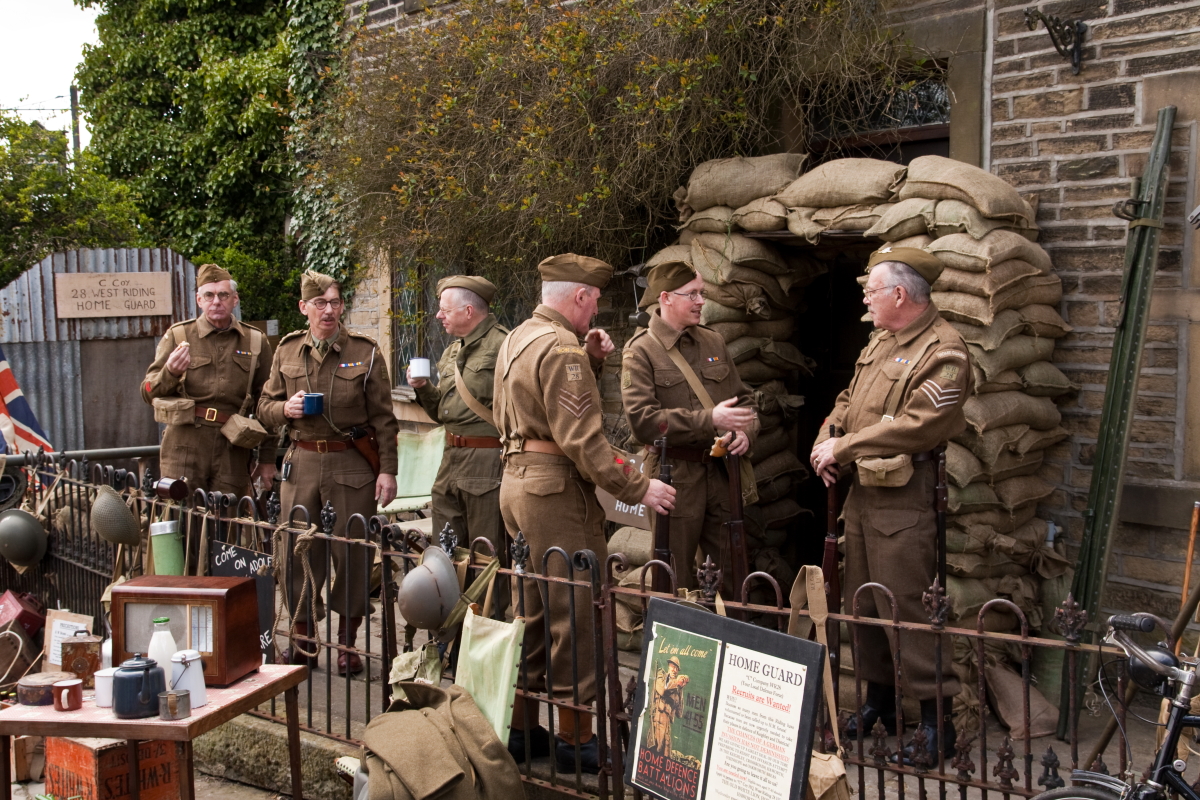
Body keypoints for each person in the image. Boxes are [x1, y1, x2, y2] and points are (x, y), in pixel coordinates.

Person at [494, 253, 677, 773]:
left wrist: (591, 361)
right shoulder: (560, 348)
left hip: (517, 483)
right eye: (594, 302)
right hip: (555, 494)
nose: (595, 313)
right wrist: (637, 486)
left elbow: (536, 409)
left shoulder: (517, 337)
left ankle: (523, 729)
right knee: (575, 610)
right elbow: (581, 437)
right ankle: (577, 739)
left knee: (529, 607)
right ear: (579, 297)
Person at [809, 246, 971, 762]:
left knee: (908, 607)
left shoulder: (944, 351)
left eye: (871, 290)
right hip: (863, 494)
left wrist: (846, 446)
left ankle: (935, 722)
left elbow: (919, 424)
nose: (865, 298)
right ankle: (880, 700)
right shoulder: (881, 342)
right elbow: (847, 402)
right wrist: (825, 441)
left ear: (900, 294)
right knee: (863, 603)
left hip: (906, 499)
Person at [258, 270, 399, 675]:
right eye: (320, 303)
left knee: (352, 554)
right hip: (301, 461)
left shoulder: (365, 351)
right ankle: (303, 641)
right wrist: (285, 409)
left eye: (335, 302)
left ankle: (348, 644)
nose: (328, 310)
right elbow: (265, 407)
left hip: (351, 464)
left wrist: (387, 471)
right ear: (304, 308)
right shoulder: (285, 351)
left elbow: (385, 420)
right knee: (298, 553)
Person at [621, 260, 758, 590]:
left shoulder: (714, 342)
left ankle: (727, 636)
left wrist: (745, 432)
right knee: (673, 576)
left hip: (722, 472)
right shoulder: (640, 352)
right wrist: (709, 419)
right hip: (674, 476)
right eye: (693, 294)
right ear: (666, 298)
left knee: (728, 571)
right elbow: (643, 422)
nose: (701, 301)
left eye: (702, 293)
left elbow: (746, 402)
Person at [409, 275, 510, 615]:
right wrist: (423, 387)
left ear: (468, 310)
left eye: (444, 310)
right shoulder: (454, 349)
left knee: (485, 554)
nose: (439, 316)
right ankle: (451, 623)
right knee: (446, 549)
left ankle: (487, 628)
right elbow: (442, 412)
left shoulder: (504, 347)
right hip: (450, 458)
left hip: (486, 461)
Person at [141, 263, 276, 497]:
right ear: (199, 300)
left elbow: (268, 402)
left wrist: (266, 458)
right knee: (182, 520)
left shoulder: (255, 341)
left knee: (228, 522)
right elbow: (148, 392)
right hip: (184, 443)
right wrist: (170, 372)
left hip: (232, 446)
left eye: (223, 295)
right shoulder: (179, 335)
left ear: (235, 299)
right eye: (209, 295)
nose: (216, 301)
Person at [646, 656, 689, 757]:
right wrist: (676, 683)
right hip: (658, 717)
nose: (674, 670)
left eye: (676, 668)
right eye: (672, 666)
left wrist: (680, 688)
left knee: (665, 754)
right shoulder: (661, 676)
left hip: (667, 722)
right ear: (668, 666)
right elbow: (661, 690)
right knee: (656, 748)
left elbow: (679, 713)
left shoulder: (677, 687)